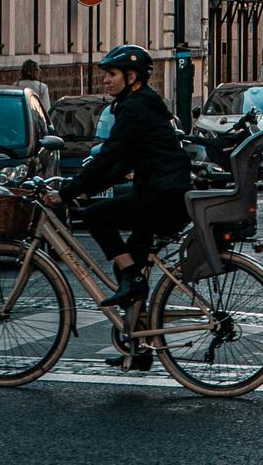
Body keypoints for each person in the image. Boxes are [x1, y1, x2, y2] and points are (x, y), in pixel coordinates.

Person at [42, 43, 191, 362]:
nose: (106, 80)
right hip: (164, 194)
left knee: (97, 218)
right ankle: (139, 348)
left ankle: (134, 283)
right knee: (128, 264)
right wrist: (89, 186)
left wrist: (68, 192)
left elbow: (111, 153)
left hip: (162, 197)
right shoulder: (141, 104)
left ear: (132, 76)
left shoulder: (135, 107)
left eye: (111, 74)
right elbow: (122, 163)